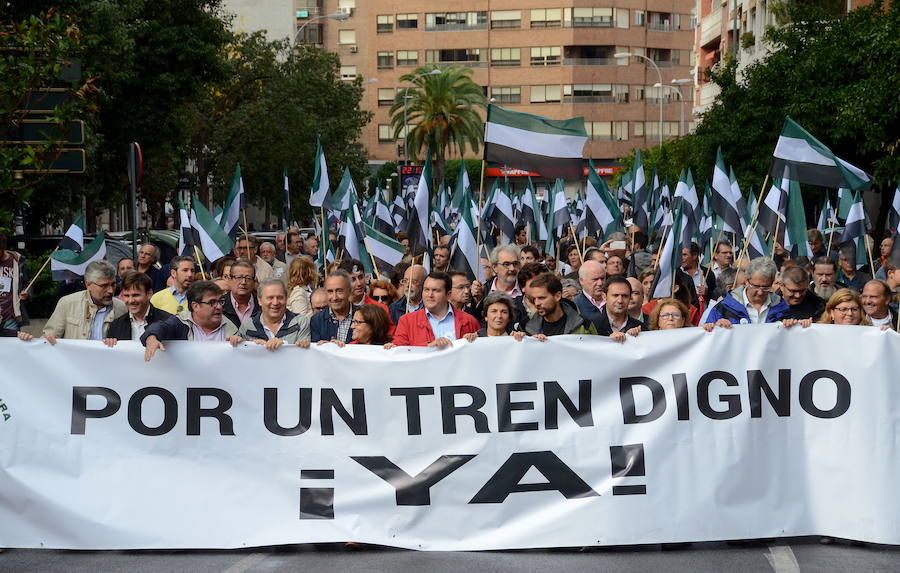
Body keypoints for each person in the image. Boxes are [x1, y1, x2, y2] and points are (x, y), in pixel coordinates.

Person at [140, 280, 241, 361]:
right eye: (212, 302)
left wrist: (242, 343)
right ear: (195, 306)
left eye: (220, 301)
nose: (219, 306)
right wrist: (152, 337)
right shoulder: (180, 323)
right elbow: (161, 326)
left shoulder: (233, 327)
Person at [31, 260, 126, 344]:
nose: (110, 290)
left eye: (113, 284)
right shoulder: (67, 303)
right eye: (104, 286)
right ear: (88, 284)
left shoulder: (122, 308)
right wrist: (46, 339)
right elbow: (48, 338)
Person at [388, 272, 479, 348]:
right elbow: (400, 353)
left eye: (436, 290)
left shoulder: (469, 321)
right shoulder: (407, 321)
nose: (430, 295)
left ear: (448, 294)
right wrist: (429, 347)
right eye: (426, 290)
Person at [705, 257, 790, 326]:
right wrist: (716, 326)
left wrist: (794, 324)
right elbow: (708, 336)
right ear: (746, 281)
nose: (760, 292)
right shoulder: (725, 307)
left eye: (765, 287)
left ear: (772, 283)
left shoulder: (782, 307)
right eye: (756, 286)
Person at [104, 271, 172, 345]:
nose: (131, 301)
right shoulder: (116, 325)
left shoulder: (168, 321)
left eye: (136, 295)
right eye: (126, 296)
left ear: (149, 294)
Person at [239, 279, 310, 350]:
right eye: (270, 298)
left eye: (280, 297)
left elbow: (302, 355)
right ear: (259, 300)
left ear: (286, 299)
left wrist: (284, 345)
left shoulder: (300, 323)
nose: (275, 302)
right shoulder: (247, 327)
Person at [523, 273, 597, 339]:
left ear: (557, 296)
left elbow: (593, 351)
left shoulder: (583, 325)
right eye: (534, 299)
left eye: (541, 298)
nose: (537, 303)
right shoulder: (526, 324)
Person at [474, 245, 522, 319]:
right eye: (506, 264)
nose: (512, 268)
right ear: (495, 267)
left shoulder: (526, 290)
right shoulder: (483, 291)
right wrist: (478, 300)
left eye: (515, 263)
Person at [310, 270, 358, 344]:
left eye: (339, 291)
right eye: (330, 291)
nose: (334, 297)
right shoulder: (317, 320)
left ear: (349, 291)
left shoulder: (364, 316)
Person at [0, 232, 28, 334]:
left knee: (12, 348)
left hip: (10, 317)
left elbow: (26, 283)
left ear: (2, 248)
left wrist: (25, 292)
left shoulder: (17, 261)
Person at [223, 260, 260, 328]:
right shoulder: (219, 305)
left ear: (254, 282)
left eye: (248, 278)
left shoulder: (262, 305)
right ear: (230, 280)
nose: (243, 282)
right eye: (239, 277)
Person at [574, 260, 606, 326]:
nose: (600, 283)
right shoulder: (574, 306)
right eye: (595, 279)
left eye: (602, 278)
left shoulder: (615, 300)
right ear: (581, 281)